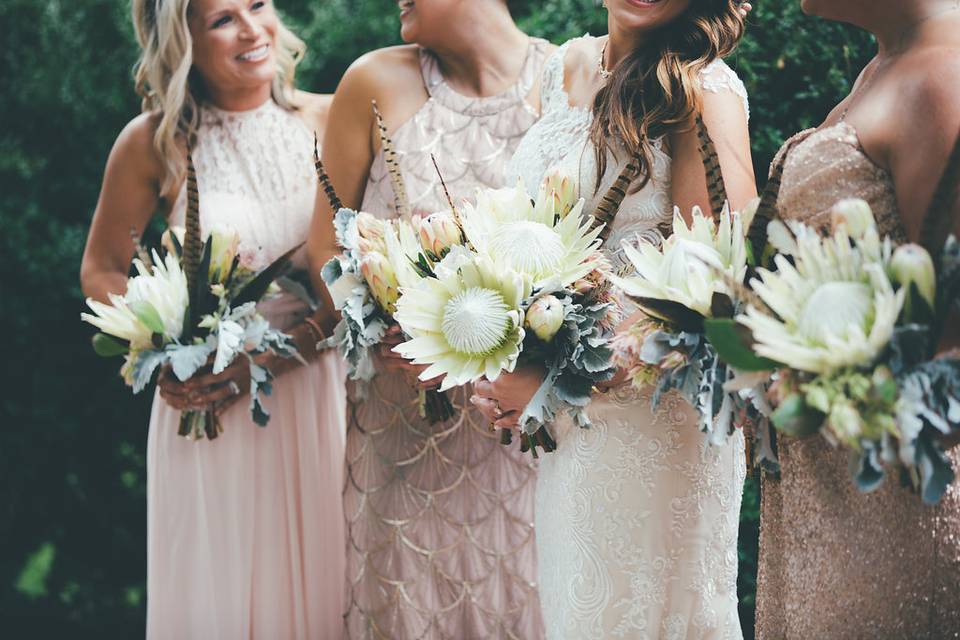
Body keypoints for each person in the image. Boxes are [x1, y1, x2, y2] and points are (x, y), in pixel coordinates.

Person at [474, 0, 756, 637]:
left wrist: (558, 377)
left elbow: (712, 298)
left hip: (654, 423)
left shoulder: (702, 90)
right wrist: (496, 353)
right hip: (572, 431)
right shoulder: (564, 67)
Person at [79, 1, 345, 637]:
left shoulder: (331, 118)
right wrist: (164, 347)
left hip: (318, 391)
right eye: (224, 18)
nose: (253, 29)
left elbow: (354, 277)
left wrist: (278, 358)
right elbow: (102, 270)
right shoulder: (153, 142)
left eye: (258, 5)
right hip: (210, 406)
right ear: (183, 39)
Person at [306, 1, 551, 636]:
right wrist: (373, 322)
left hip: (526, 438)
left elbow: (593, 254)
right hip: (401, 435)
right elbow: (324, 247)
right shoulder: (371, 82)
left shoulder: (569, 81)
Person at [754, 1, 960, 637]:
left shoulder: (941, 78)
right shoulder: (886, 64)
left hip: (893, 514)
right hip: (820, 494)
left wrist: (846, 392)